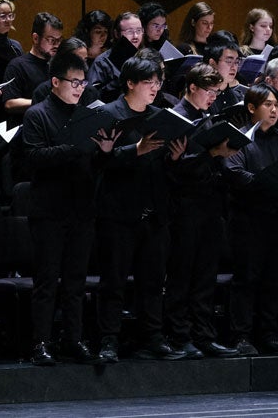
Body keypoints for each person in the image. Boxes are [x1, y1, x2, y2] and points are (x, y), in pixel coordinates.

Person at [95, 54, 185, 363]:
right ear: (130, 83)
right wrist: (135, 150)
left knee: (152, 280)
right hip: (119, 213)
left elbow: (168, 172)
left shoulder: (161, 115)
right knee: (114, 280)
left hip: (155, 212)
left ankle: (153, 336)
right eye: (148, 82)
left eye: (158, 82)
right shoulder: (107, 114)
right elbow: (98, 165)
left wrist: (174, 158)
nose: (155, 88)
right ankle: (108, 339)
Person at [22, 51, 106, 366]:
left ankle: (73, 339)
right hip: (49, 210)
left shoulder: (87, 115)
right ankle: (40, 342)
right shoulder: (37, 114)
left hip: (82, 208)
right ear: (55, 81)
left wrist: (104, 152)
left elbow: (94, 164)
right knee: (47, 281)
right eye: (74, 81)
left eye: (83, 82)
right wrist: (73, 148)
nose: (79, 87)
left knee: (76, 281)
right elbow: (32, 158)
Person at [162, 64, 239, 358]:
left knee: (206, 274)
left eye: (217, 93)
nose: (213, 98)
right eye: (209, 92)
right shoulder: (175, 118)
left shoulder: (208, 117)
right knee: (183, 274)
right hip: (184, 207)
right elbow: (173, 169)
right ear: (192, 87)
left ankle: (204, 335)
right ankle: (180, 336)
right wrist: (210, 154)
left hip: (210, 204)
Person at [223, 84, 278, 356]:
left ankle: (268, 334)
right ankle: (241, 335)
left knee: (274, 278)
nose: (273, 109)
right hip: (248, 220)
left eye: (276, 105)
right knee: (246, 278)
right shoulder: (240, 139)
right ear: (251, 108)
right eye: (267, 104)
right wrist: (268, 184)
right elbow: (234, 173)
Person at [2, 12, 62, 121]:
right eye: (51, 40)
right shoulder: (17, 66)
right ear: (35, 38)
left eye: (59, 40)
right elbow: (9, 104)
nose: (56, 45)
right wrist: (46, 102)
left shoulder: (60, 65)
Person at [89, 12, 143, 104]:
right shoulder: (102, 62)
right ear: (116, 34)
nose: (135, 36)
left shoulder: (146, 58)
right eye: (130, 31)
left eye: (139, 31)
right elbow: (93, 97)